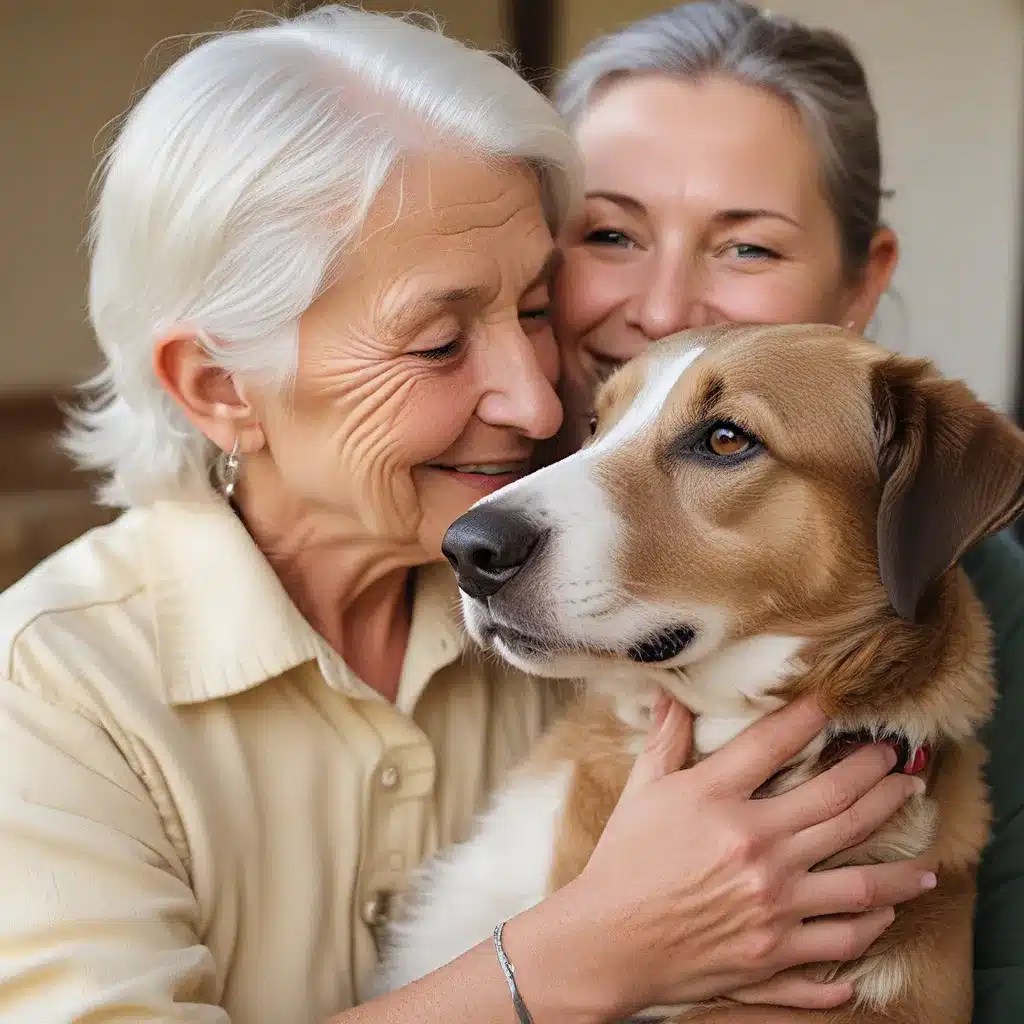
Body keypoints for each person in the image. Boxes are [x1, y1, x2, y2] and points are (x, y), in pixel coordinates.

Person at [0, 5, 936, 1024]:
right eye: (440, 342)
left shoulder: (598, 600)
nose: (538, 402)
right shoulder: (49, 695)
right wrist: (575, 961)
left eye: (534, 309)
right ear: (221, 384)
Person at [549, 2, 1024, 1020]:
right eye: (610, 232)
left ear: (862, 281)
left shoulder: (984, 609)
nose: (666, 307)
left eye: (747, 248)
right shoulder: (451, 527)